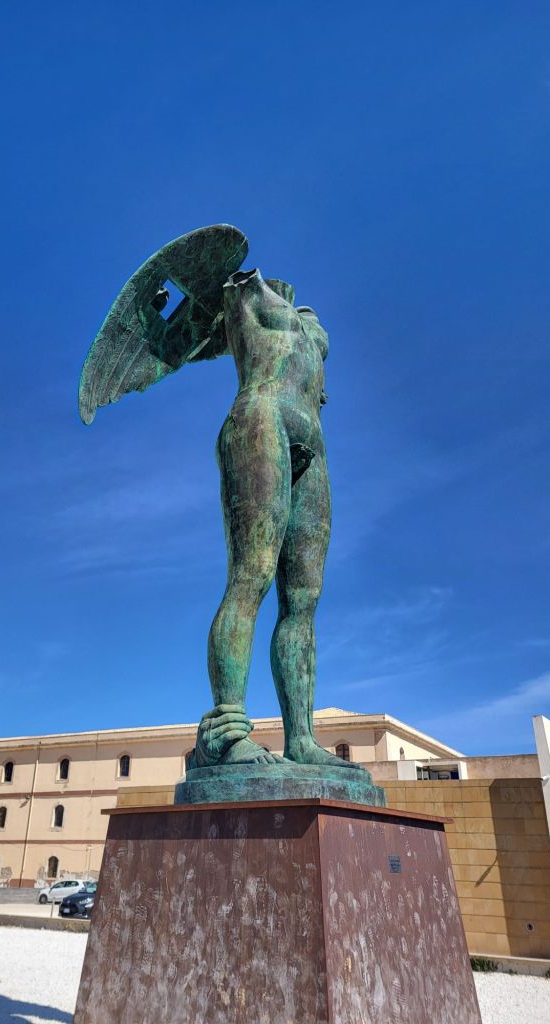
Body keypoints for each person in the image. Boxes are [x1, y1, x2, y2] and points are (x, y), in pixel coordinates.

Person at [194, 269, 361, 771]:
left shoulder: (311, 342)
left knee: (305, 599)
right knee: (253, 574)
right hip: (261, 416)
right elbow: (223, 283)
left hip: (313, 444)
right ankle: (226, 730)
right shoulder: (250, 295)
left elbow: (319, 336)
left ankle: (302, 740)